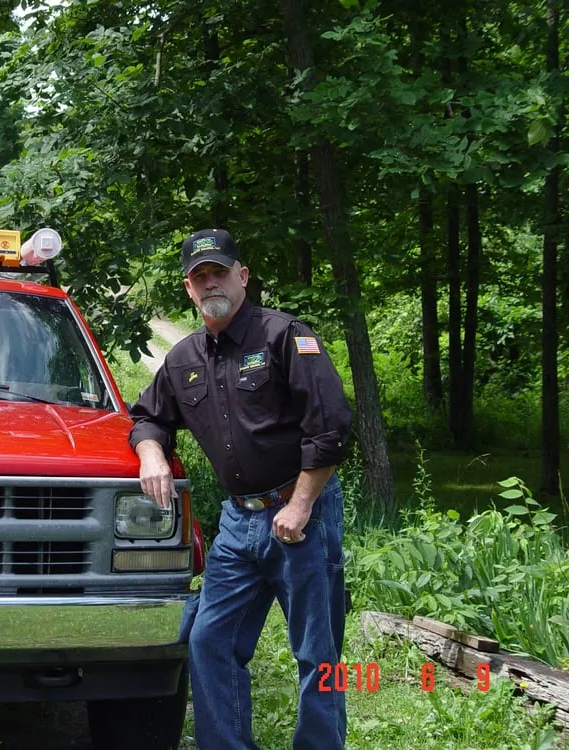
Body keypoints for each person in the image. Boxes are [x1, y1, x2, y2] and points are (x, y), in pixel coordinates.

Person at [129, 228, 352, 750]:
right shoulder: (183, 360)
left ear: (243, 276)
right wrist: (152, 451)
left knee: (319, 654)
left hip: (302, 516)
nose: (210, 283)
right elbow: (147, 418)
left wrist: (300, 505)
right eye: (199, 276)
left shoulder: (285, 337)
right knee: (210, 641)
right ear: (189, 289)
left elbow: (332, 427)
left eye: (219, 272)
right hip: (237, 525)